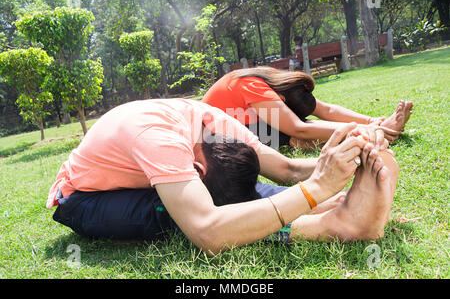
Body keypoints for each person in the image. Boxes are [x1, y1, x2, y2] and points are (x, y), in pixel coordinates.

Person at [48, 98, 398, 255]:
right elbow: (207, 231)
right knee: (185, 214)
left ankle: (339, 203)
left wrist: (341, 161)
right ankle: (337, 224)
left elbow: (288, 168)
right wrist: (314, 190)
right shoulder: (159, 138)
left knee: (242, 189)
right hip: (83, 199)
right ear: (196, 170)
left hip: (169, 171)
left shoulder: (217, 124)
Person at [202, 66, 413, 150]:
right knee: (291, 130)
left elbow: (325, 110)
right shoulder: (255, 86)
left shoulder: (276, 79)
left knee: (292, 128)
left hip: (239, 123)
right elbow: (298, 127)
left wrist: (371, 120)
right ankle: (374, 136)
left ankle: (377, 131)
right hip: (210, 138)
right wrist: (360, 128)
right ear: (281, 99)